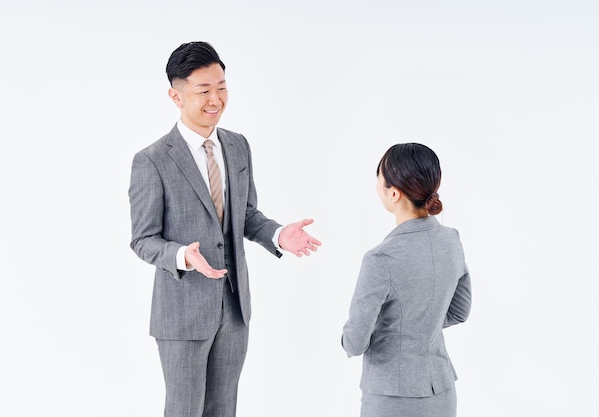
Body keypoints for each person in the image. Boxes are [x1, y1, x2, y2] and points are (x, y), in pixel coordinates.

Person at [129, 41, 321, 417]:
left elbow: (246, 215)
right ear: (176, 95)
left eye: (221, 87)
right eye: (203, 90)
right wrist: (183, 255)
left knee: (224, 409)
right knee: (184, 410)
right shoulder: (151, 161)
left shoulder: (237, 146)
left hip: (234, 309)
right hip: (182, 314)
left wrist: (279, 234)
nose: (215, 98)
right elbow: (142, 239)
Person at [341, 143, 471, 417]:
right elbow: (459, 312)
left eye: (379, 176)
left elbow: (355, 342)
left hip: (392, 398)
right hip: (442, 393)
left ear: (394, 193)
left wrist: (397, 325)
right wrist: (420, 321)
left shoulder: (380, 258)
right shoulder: (452, 240)